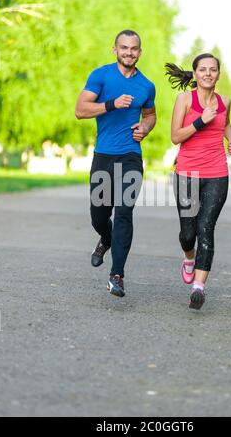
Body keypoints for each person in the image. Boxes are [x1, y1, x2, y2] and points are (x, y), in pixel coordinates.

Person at [75, 30, 156, 298]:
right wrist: (111, 104)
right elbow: (80, 110)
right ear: (115, 50)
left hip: (130, 157)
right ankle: (105, 239)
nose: (129, 52)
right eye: (124, 48)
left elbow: (151, 115)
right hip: (104, 156)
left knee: (123, 213)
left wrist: (145, 127)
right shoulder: (101, 75)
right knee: (99, 214)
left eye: (134, 49)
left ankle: (117, 275)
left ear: (140, 52)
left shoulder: (147, 85)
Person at [165, 53, 231, 310]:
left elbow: (225, 124)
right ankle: (188, 258)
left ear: (218, 74)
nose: (208, 73)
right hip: (187, 172)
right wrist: (200, 121)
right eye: (203, 69)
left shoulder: (225, 102)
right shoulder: (184, 100)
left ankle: (199, 287)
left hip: (217, 173)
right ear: (195, 73)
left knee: (206, 227)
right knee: (188, 233)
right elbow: (175, 136)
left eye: (213, 69)